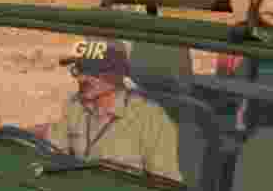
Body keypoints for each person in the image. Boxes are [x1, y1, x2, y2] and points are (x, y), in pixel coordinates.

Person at [50, 40, 182, 183]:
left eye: (93, 71)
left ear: (119, 72)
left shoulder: (152, 118)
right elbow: (52, 154)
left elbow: (165, 186)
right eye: (79, 69)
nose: (82, 78)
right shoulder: (74, 105)